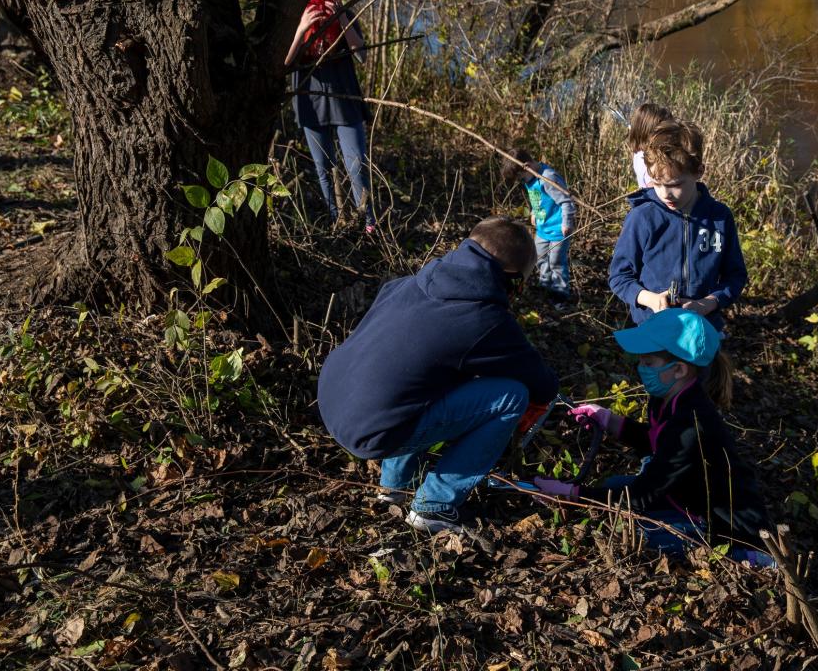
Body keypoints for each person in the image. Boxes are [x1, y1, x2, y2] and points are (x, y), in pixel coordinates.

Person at [317, 216, 559, 534]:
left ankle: (395, 488)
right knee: (511, 397)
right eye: (521, 284)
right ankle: (434, 506)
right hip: (373, 432)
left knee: (423, 379)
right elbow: (543, 384)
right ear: (510, 278)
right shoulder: (485, 320)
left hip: (332, 403)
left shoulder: (406, 284)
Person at [532, 308, 774, 565]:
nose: (641, 368)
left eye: (648, 363)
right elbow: (657, 442)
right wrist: (609, 420)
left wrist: (572, 493)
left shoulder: (692, 424)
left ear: (679, 369)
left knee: (637, 533)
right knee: (614, 486)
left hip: (722, 524)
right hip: (682, 497)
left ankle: (751, 557)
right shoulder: (665, 398)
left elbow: (640, 496)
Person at [609, 121, 747, 331]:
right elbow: (619, 276)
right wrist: (651, 300)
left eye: (675, 184)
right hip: (651, 326)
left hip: (703, 326)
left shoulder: (719, 217)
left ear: (698, 172)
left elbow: (735, 276)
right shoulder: (642, 217)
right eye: (656, 183)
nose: (665, 193)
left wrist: (706, 304)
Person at [284, 0, 376, 233]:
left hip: (345, 100)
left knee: (356, 162)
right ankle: (336, 218)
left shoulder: (342, 12)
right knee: (324, 167)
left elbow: (362, 56)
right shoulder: (295, 19)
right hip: (311, 103)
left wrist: (342, 19)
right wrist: (302, 29)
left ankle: (368, 221)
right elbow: (284, 64)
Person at [501, 148, 576, 306]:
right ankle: (545, 285)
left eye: (521, 178)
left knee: (556, 261)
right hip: (542, 228)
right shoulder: (530, 178)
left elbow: (566, 201)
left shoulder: (548, 178)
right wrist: (534, 213)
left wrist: (567, 222)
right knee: (540, 257)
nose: (522, 182)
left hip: (558, 230)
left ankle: (560, 294)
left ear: (527, 166)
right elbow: (537, 199)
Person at [626, 102, 673, 189]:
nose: (669, 135)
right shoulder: (644, 158)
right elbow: (654, 187)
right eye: (664, 131)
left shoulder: (641, 153)